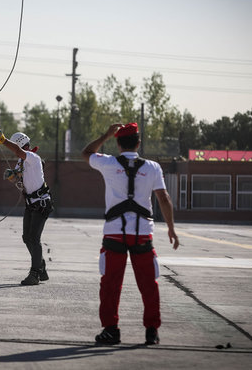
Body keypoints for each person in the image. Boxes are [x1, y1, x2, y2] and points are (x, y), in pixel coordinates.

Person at [81, 122, 179, 345]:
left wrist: (105, 133)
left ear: (117, 143)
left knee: (110, 285)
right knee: (148, 284)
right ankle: (151, 331)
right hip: (142, 234)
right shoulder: (153, 167)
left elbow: (86, 152)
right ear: (139, 142)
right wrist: (171, 228)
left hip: (114, 234)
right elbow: (164, 198)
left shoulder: (107, 163)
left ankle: (111, 330)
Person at [0, 127, 53, 285]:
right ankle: (41, 266)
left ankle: (34, 274)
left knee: (34, 239)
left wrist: (3, 141)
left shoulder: (32, 157)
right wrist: (13, 179)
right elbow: (22, 185)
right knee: (27, 238)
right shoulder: (21, 162)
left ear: (20, 145)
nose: (15, 151)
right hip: (31, 204)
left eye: (15, 146)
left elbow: (19, 152)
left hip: (41, 204)